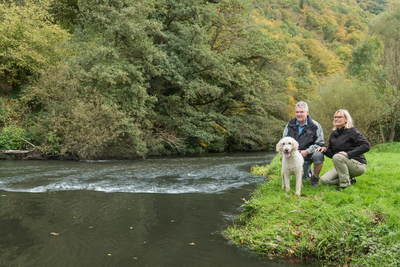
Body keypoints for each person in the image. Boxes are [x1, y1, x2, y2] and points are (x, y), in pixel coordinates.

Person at [315, 109, 370, 191]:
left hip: (358, 165)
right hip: (343, 165)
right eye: (335, 117)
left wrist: (348, 154)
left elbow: (366, 145)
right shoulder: (333, 134)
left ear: (346, 119)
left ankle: (344, 185)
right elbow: (332, 155)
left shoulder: (352, 131)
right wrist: (325, 150)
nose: (336, 119)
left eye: (339, 117)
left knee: (338, 156)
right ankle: (350, 180)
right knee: (324, 180)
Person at [283, 101, 325, 187]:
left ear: (307, 112)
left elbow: (320, 143)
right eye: (297, 112)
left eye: (301, 112)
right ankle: (309, 172)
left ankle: (315, 177)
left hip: (310, 154)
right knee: (303, 179)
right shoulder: (289, 125)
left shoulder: (315, 125)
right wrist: (294, 150)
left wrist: (307, 151)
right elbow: (284, 142)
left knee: (319, 155)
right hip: (295, 155)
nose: (299, 114)